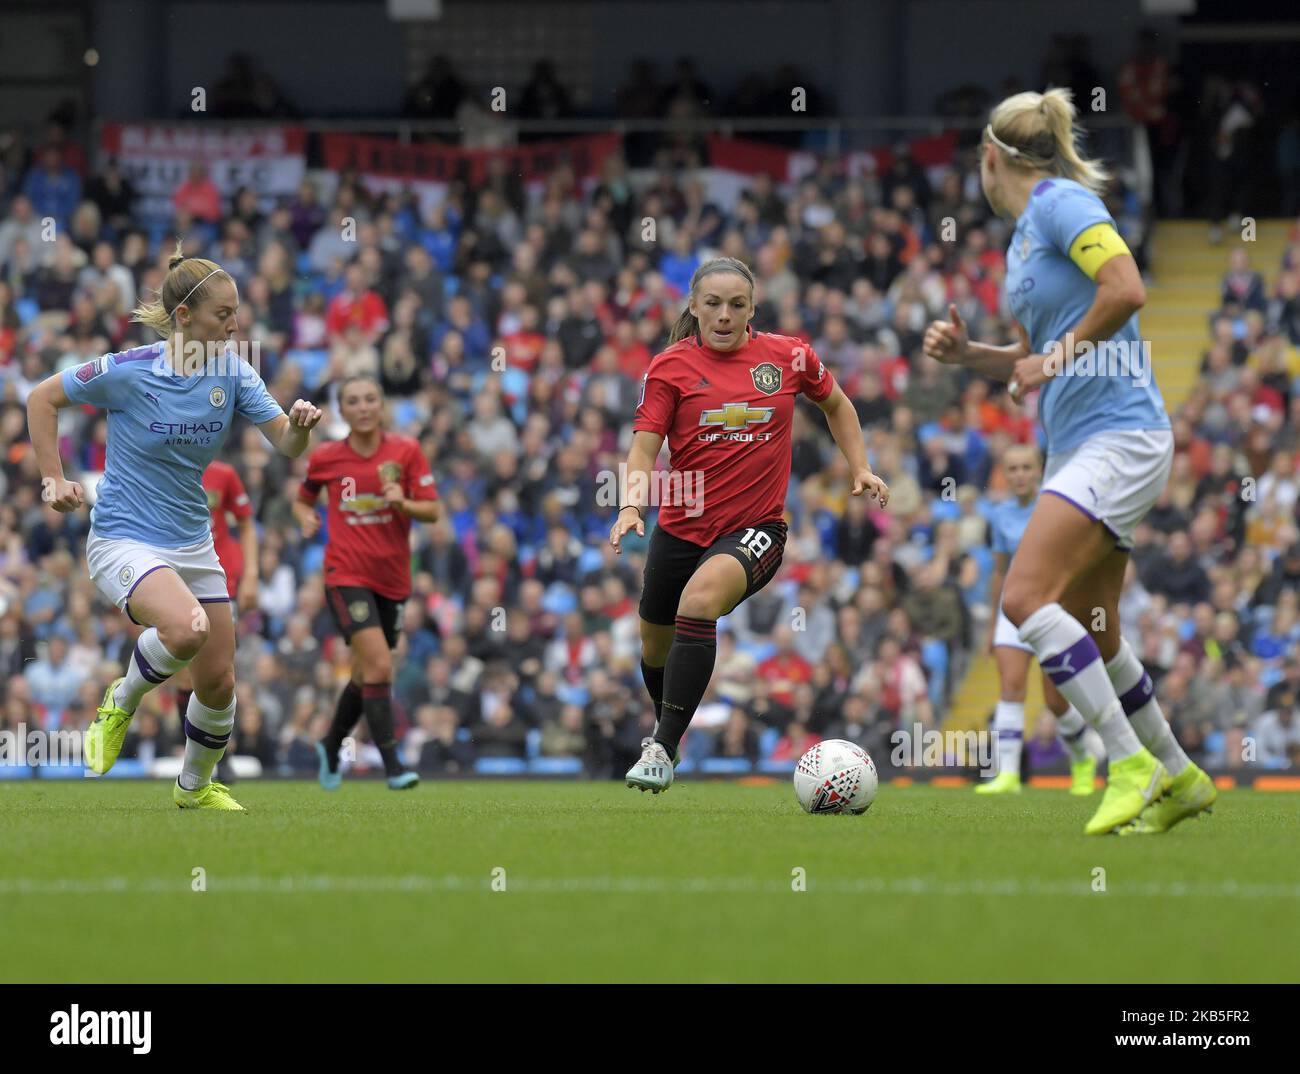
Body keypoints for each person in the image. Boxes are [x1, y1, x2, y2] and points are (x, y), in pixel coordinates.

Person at [923, 88, 1215, 835]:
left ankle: (1129, 764)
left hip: (1121, 434)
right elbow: (1026, 361)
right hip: (1083, 445)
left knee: (1023, 598)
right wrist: (971, 357)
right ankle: (1179, 776)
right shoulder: (1023, 239)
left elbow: (1127, 289)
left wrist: (1049, 360)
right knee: (1099, 628)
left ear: (991, 159)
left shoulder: (1060, 206)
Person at [25, 243, 323, 810]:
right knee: (187, 630)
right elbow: (42, 398)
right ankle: (122, 699)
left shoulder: (235, 373)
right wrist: (51, 478)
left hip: (191, 541)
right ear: (184, 317)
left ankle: (194, 787)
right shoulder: (130, 370)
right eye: (223, 314)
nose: (235, 325)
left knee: (219, 682)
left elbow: (285, 444)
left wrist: (303, 426)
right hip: (124, 539)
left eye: (237, 313)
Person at [610, 256, 889, 794]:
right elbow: (644, 448)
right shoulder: (669, 367)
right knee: (653, 645)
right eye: (712, 303)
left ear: (752, 309)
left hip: (755, 529)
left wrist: (860, 466)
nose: (723, 314)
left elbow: (838, 405)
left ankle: (663, 748)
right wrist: (629, 507)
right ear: (693, 307)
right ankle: (668, 724)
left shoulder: (788, 357)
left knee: (699, 602)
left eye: (736, 304)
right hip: (679, 525)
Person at [294, 374, 440, 791]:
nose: (362, 407)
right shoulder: (325, 457)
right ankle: (393, 765)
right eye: (353, 401)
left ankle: (330, 742)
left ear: (381, 406)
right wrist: (305, 515)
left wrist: (403, 502)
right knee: (379, 664)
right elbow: (302, 498)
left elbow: (431, 511)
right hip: (346, 574)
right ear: (341, 410)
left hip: (393, 579)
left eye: (369, 399)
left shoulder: (406, 450)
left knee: (364, 672)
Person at [975, 442, 1103, 796]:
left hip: (1050, 609)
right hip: (1010, 611)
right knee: (1011, 688)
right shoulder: (1000, 515)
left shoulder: (1055, 509)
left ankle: (1081, 759)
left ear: (1039, 470)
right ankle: (1008, 775)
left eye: (1026, 468)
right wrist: (991, 624)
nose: (1019, 475)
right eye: (1012, 468)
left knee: (1056, 700)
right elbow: (999, 571)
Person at [173, 460, 259, 741]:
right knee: (186, 674)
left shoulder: (224, 473)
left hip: (218, 579)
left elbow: (246, 524)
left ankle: (219, 755)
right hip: (175, 577)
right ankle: (193, 750)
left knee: (219, 671)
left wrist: (251, 575)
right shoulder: (162, 465)